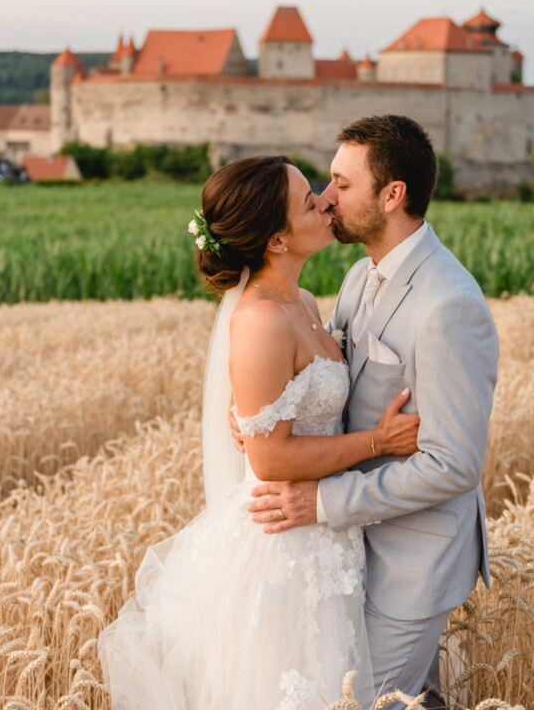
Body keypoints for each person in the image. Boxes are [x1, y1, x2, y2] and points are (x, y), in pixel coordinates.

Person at [98, 154, 422, 710]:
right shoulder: (261, 320)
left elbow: (283, 409)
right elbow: (270, 461)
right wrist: (379, 442)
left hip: (326, 535)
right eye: (309, 203)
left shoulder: (304, 302)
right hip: (283, 546)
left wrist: (251, 419)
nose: (326, 202)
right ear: (276, 240)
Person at [244, 116, 499, 706]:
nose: (327, 198)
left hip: (412, 562)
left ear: (392, 195)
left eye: (342, 183)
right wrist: (262, 418)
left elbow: (454, 466)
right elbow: (322, 378)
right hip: (348, 555)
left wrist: (323, 502)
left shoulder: (449, 305)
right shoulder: (360, 276)